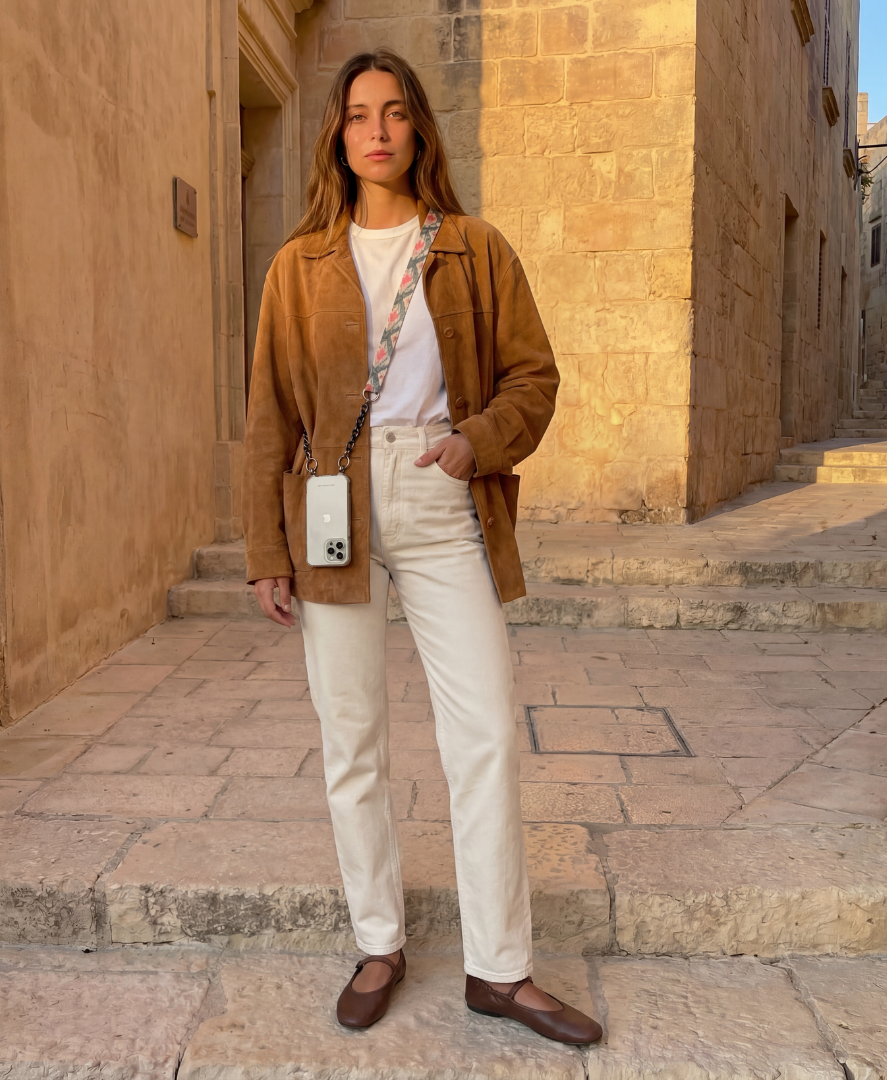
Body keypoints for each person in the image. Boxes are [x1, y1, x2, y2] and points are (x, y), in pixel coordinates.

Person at [242, 47, 602, 1045]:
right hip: (333, 505)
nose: (378, 130)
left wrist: (475, 442)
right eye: (360, 113)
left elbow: (534, 378)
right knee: (351, 736)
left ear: (418, 130)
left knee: (483, 731)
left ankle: (501, 969)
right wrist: (266, 549)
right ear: (338, 134)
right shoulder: (298, 266)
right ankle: (379, 943)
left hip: (442, 495)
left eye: (395, 111)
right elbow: (269, 416)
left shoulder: (475, 249)